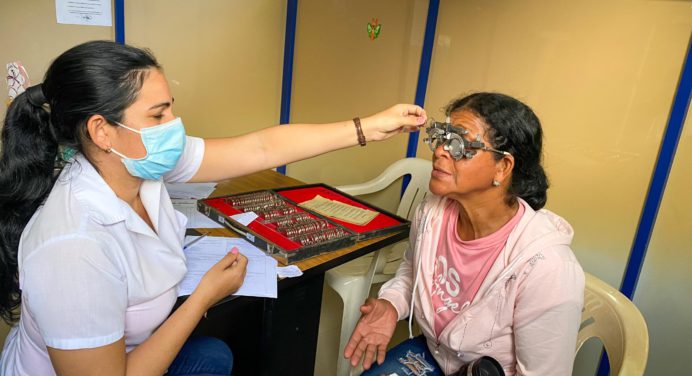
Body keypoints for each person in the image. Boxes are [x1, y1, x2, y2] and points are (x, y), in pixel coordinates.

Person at [0, 40, 427, 375]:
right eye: (158, 115)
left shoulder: (138, 165)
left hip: (136, 345)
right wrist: (202, 297)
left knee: (217, 354)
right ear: (102, 131)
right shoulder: (72, 247)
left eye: (171, 108)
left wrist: (367, 127)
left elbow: (260, 147)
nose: (175, 126)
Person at [344, 92, 584, 376]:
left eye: (458, 144)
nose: (440, 151)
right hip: (434, 354)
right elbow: (413, 269)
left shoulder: (548, 268)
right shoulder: (432, 213)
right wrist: (391, 304)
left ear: (503, 167)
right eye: (442, 137)